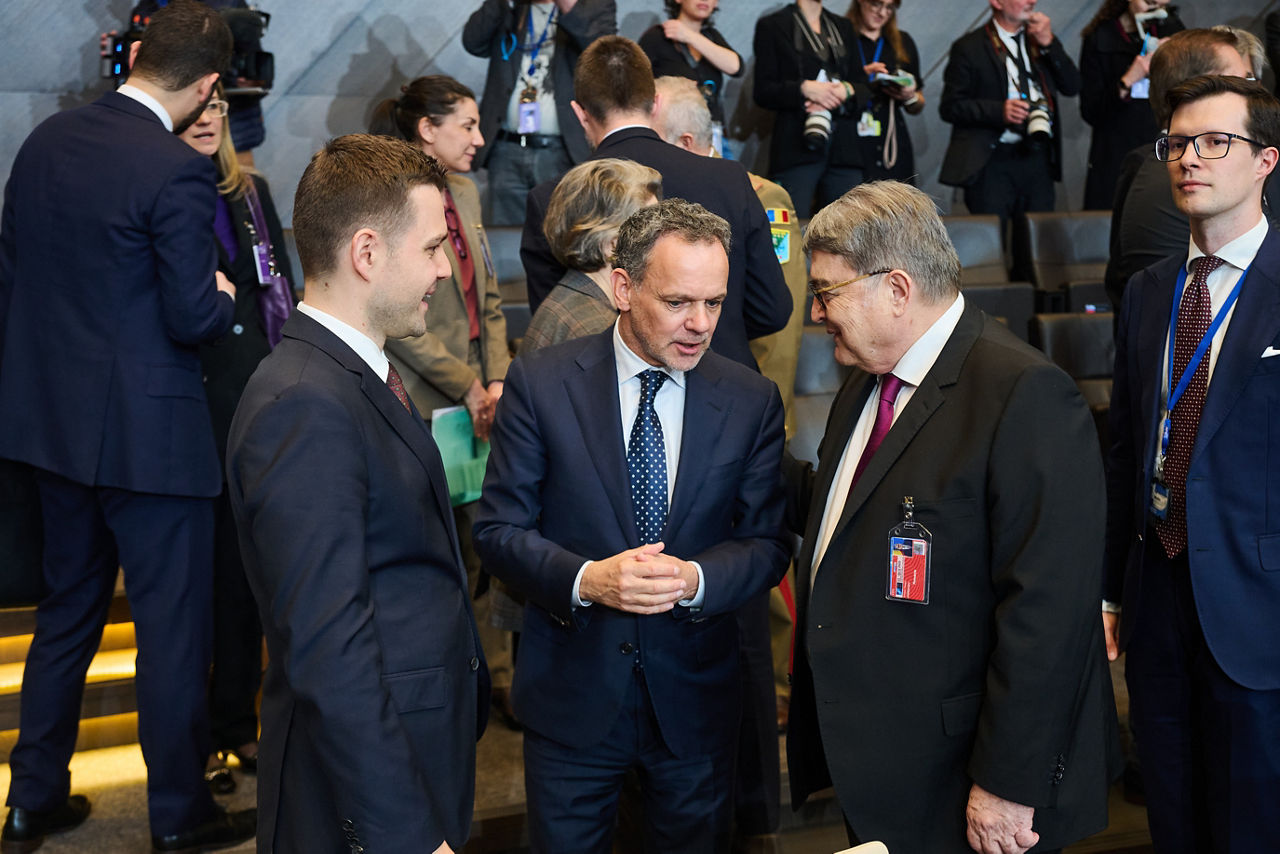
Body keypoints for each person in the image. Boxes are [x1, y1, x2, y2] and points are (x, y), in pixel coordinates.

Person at [785, 180, 1119, 853]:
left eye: (826, 291)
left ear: (898, 290)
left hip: (972, 783)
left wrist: (1006, 784)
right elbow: (854, 514)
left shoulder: (1022, 393)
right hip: (886, 768)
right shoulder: (866, 383)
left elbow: (1048, 614)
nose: (816, 312)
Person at [0, 2, 257, 851]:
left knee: (65, 617)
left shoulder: (44, 144)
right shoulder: (171, 169)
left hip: (50, 431)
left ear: (139, 54)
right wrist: (222, 300)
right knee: (172, 631)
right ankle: (179, 815)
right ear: (209, 83)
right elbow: (189, 314)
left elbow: (21, 282)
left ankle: (33, 796)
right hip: (152, 443)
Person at [475, 198, 791, 853]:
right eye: (678, 302)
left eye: (714, 303)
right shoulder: (543, 383)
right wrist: (589, 580)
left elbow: (765, 542)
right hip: (572, 699)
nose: (699, 325)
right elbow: (499, 531)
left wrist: (696, 578)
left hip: (696, 705)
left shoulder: (749, 398)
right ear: (623, 287)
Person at [226, 134, 489, 854]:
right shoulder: (305, 402)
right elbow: (328, 648)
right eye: (433, 248)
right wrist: (405, 834)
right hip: (363, 800)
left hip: (409, 752)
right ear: (367, 253)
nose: (443, 271)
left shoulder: (350, 376)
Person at [1104, 74, 1280, 854]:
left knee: (1253, 824)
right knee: (1172, 817)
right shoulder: (1148, 292)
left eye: (1217, 142)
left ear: (1266, 159)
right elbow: (1124, 449)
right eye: (1177, 143)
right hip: (1159, 600)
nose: (1190, 159)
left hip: (1261, 605)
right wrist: (1113, 591)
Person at [653, 73, 804, 851]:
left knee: (745, 587)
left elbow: (781, 309)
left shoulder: (760, 193)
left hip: (740, 401)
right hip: (724, 398)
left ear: (682, 138)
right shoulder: (746, 192)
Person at [368, 74, 517, 723]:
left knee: (495, 541)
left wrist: (501, 381)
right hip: (430, 399)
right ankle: (448, 680)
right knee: (440, 545)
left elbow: (489, 296)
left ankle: (499, 675)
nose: (480, 140)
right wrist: (466, 383)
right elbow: (401, 313)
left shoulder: (466, 189)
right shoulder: (393, 197)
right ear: (427, 129)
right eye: (468, 125)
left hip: (485, 399)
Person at [520, 35, 792, 371]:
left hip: (611, 401)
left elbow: (563, 326)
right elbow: (772, 310)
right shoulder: (729, 179)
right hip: (725, 391)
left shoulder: (551, 197)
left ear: (578, 112)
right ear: (656, 103)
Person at [177, 80, 295, 794]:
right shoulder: (159, 188)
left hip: (255, 392)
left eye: (217, 110)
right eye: (196, 110)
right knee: (199, 585)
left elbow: (277, 285)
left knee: (245, 580)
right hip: (191, 399)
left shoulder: (250, 190)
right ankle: (197, 740)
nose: (208, 120)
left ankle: (237, 726)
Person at [1104, 27, 1268, 310]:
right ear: (1201, 87)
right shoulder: (1179, 174)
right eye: (1242, 80)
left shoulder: (1150, 162)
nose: (1255, 91)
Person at [938, 0, 1080, 279]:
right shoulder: (969, 47)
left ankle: (1037, 316)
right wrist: (998, 111)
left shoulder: (1039, 40)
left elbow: (1072, 85)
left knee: (1036, 246)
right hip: (991, 161)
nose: (1031, 2)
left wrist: (1050, 43)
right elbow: (950, 106)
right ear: (997, 2)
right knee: (992, 246)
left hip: (1036, 156)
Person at [462, 0, 616, 225]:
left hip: (563, 150)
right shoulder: (514, 8)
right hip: (507, 149)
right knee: (505, 240)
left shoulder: (594, 6)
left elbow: (607, 56)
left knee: (562, 236)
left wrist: (566, 5)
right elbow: (473, 42)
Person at [523, 158, 661, 352]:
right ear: (613, 245)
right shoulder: (596, 331)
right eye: (651, 229)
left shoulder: (572, 300)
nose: (661, 239)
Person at [752, 0, 865, 218]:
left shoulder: (842, 26)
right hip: (796, 146)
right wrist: (803, 89)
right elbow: (763, 91)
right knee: (794, 229)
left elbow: (862, 86)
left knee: (850, 234)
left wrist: (846, 90)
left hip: (844, 147)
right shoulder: (774, 25)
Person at [1078, 0, 1184, 210]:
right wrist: (1127, 80)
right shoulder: (1100, 37)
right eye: (1147, 2)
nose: (1153, 7)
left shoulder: (1173, 30)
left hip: (1160, 146)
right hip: (1114, 153)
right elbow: (1091, 110)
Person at [846, 0, 927, 183]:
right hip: (851, 135)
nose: (882, 13)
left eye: (889, 7)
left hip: (891, 138)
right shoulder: (843, 38)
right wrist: (861, 76)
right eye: (876, 4)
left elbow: (919, 103)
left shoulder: (902, 42)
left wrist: (910, 96)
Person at [638, 0, 742, 131]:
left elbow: (736, 67)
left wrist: (689, 36)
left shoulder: (711, 36)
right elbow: (635, 87)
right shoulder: (657, 37)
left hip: (711, 131)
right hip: (670, 130)